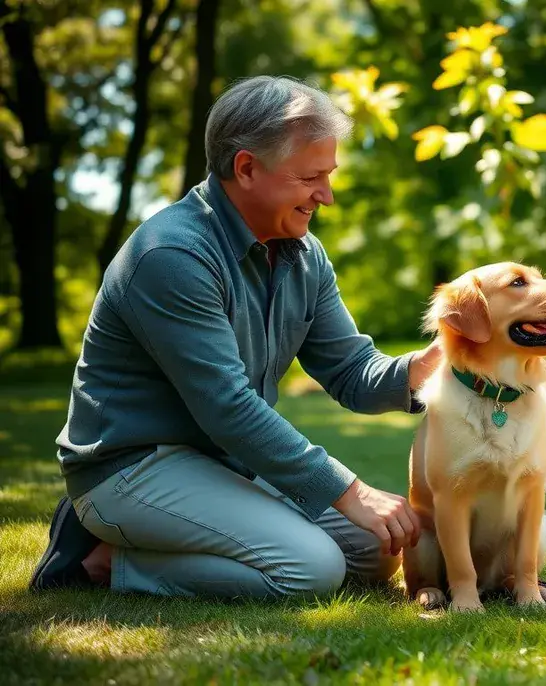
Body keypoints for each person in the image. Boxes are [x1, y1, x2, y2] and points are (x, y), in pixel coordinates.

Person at [29, 75, 443, 599]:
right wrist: (350, 490)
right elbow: (228, 407)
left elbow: (350, 370)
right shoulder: (172, 256)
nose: (327, 196)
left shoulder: (304, 254)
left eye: (329, 176)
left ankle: (170, 541)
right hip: (132, 467)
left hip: (221, 463)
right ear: (246, 168)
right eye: (311, 177)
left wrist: (428, 365)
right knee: (311, 570)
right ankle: (98, 560)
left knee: (374, 550)